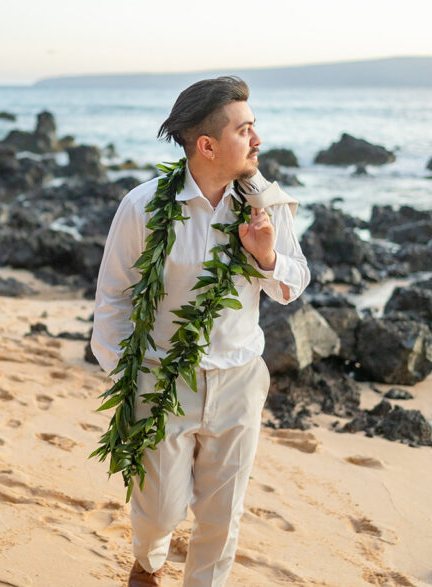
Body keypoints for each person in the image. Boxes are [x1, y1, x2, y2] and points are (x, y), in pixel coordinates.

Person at [91, 76, 311, 586]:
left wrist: (266, 256)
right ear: (207, 145)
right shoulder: (144, 206)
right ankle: (147, 566)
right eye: (246, 130)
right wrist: (128, 378)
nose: (257, 140)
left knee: (221, 517)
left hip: (238, 381)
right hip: (162, 382)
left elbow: (292, 283)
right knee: (159, 512)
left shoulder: (266, 205)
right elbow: (113, 298)